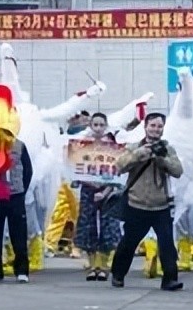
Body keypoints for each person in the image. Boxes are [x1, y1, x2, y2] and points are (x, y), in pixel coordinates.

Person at [110, 113, 184, 291]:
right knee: (129, 243)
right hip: (137, 204)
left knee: (167, 244)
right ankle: (118, 274)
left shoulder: (167, 149)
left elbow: (178, 171)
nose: (156, 129)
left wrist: (161, 159)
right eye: (153, 125)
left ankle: (170, 279)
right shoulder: (134, 147)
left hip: (161, 206)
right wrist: (139, 155)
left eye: (159, 126)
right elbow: (119, 166)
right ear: (145, 127)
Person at [73, 113, 123, 281]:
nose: (98, 128)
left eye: (102, 125)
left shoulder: (113, 147)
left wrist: (105, 192)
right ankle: (92, 265)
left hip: (107, 192)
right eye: (95, 125)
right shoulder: (81, 146)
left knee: (108, 226)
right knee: (88, 226)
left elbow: (116, 173)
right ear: (91, 126)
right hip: (88, 191)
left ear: (106, 126)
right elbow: (75, 170)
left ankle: (103, 265)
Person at [0, 136, 33, 283]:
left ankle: (22, 270)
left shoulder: (19, 145)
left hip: (15, 195)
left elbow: (28, 170)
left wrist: (21, 190)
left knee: (19, 234)